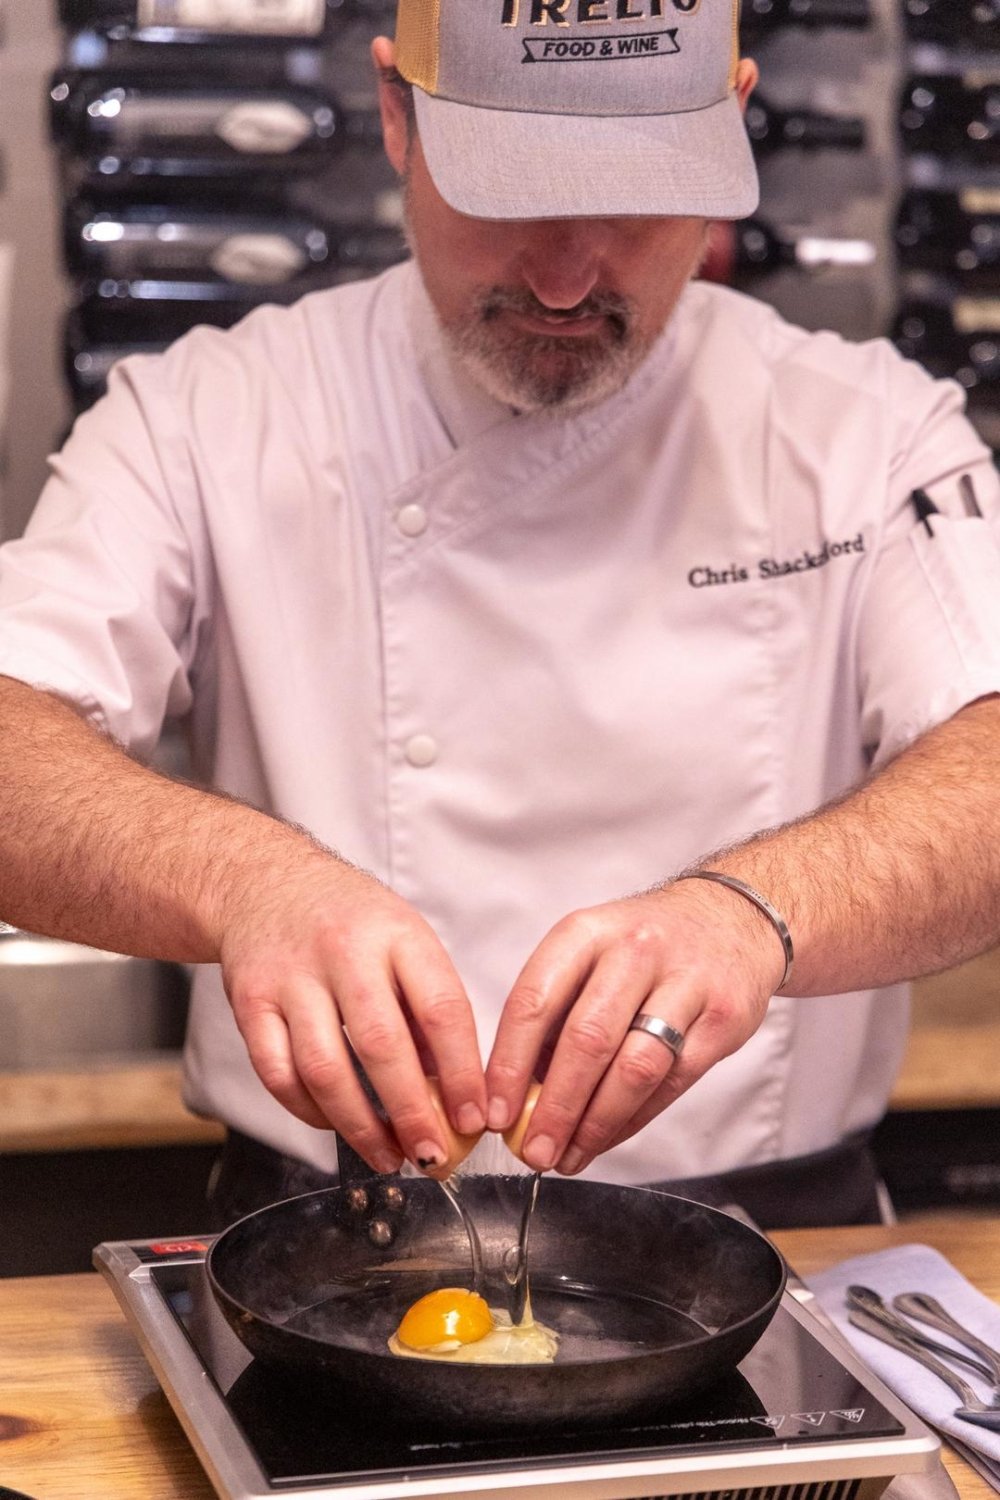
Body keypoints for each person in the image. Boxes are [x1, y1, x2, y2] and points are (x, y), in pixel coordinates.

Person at [1, 0, 999, 1231]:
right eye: (509, 193)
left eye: (633, 198)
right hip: (326, 1253)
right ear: (395, 120)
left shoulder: (866, 430)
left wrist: (754, 912)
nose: (566, 275)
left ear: (733, 123)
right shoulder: (209, 412)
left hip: (776, 1242)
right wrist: (243, 879)